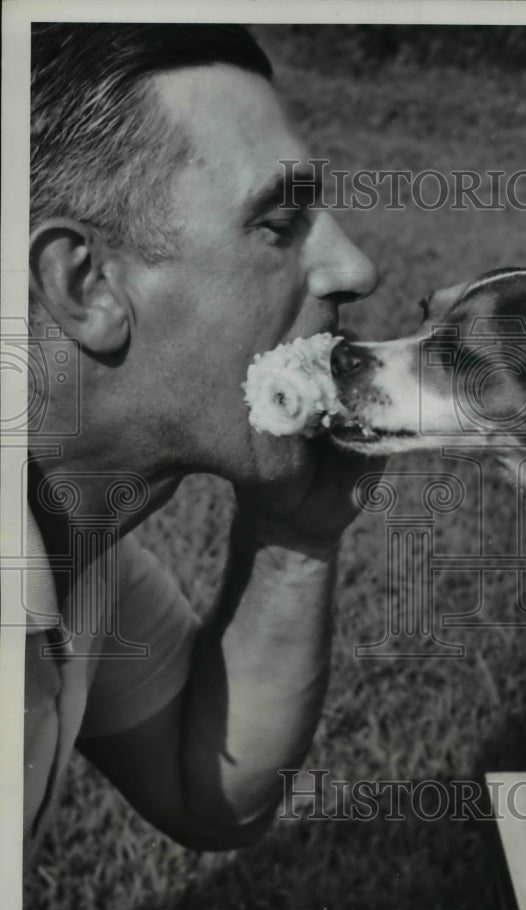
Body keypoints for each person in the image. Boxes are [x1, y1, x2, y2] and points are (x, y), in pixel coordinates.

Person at [24, 23, 380, 859]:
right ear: (87, 284)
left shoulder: (71, 532)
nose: (356, 268)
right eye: (278, 220)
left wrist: (293, 537)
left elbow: (207, 795)